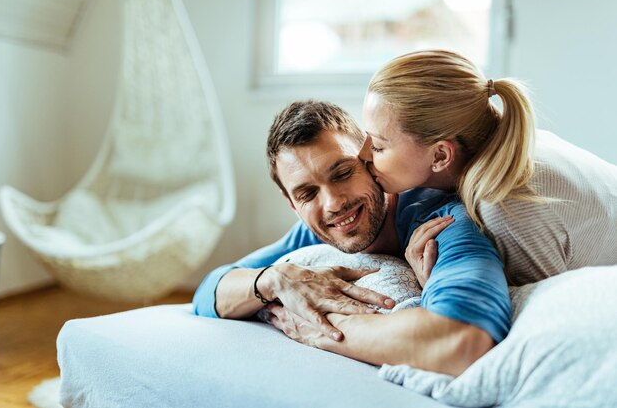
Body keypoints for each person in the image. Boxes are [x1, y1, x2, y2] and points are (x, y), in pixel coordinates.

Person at [194, 100, 511, 376]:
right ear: (292, 204)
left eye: (343, 173)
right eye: (307, 193)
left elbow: (464, 340)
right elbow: (209, 289)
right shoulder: (311, 233)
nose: (333, 204)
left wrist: (322, 328)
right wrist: (275, 279)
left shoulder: (439, 222)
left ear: (369, 157)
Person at [359, 49, 617, 286]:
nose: (362, 154)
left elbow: (539, 321)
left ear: (440, 155)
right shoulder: (511, 141)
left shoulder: (504, 204)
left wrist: (433, 284)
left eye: (379, 147)